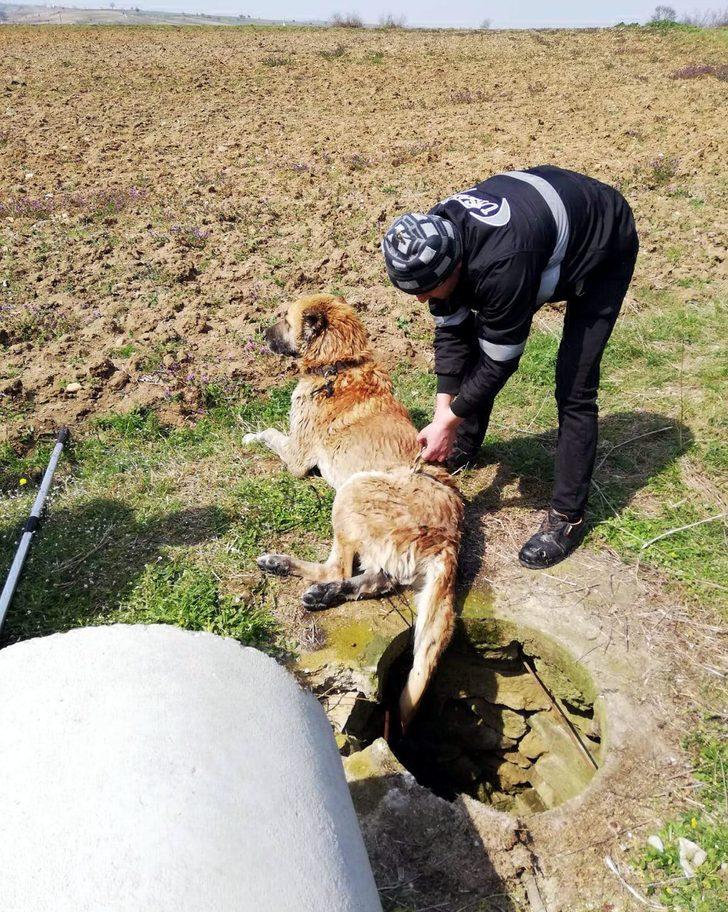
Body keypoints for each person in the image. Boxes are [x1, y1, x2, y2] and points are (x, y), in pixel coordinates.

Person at [381, 165, 639, 570]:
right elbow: (451, 331)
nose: (421, 301)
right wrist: (441, 415)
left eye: (426, 291)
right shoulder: (432, 235)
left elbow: (499, 362)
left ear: (454, 267)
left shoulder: (504, 267)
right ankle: (462, 442)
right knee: (469, 343)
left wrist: (449, 418)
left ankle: (567, 519)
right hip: (541, 227)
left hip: (602, 241)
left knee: (575, 386)